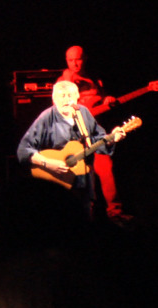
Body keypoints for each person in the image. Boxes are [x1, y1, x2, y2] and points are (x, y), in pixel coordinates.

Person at [17, 80, 126, 221]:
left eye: (70, 96)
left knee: (86, 209)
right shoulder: (46, 118)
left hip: (84, 175)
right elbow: (23, 150)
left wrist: (112, 138)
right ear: (54, 99)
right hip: (57, 176)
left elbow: (99, 141)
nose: (66, 100)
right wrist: (48, 163)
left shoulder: (83, 114)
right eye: (62, 96)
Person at [57, 45, 133, 225]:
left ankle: (115, 212)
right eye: (70, 60)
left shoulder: (95, 81)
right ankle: (83, 215)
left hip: (95, 133)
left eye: (78, 59)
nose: (75, 63)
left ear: (85, 58)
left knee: (106, 170)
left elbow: (101, 99)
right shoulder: (64, 80)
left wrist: (107, 100)